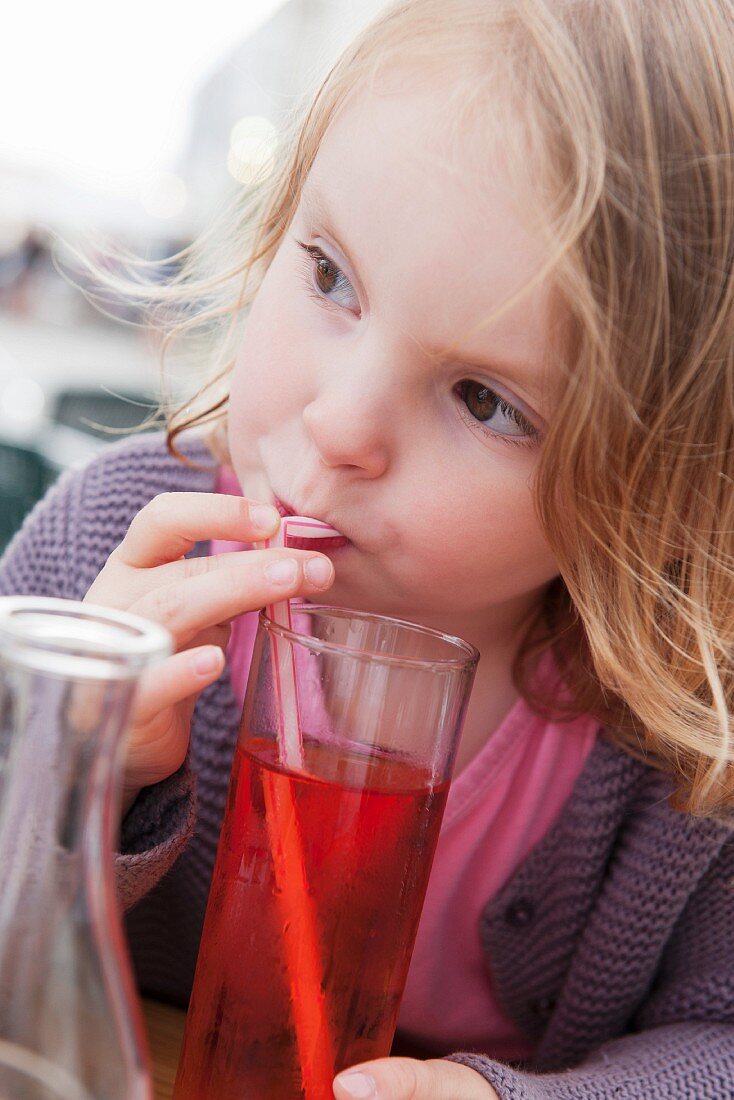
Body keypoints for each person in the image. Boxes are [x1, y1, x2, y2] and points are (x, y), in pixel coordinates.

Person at [2, 0, 733, 1095]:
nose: (339, 423)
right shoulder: (112, 559)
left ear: (659, 482)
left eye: (484, 398)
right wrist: (84, 768)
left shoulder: (688, 729)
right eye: (331, 276)